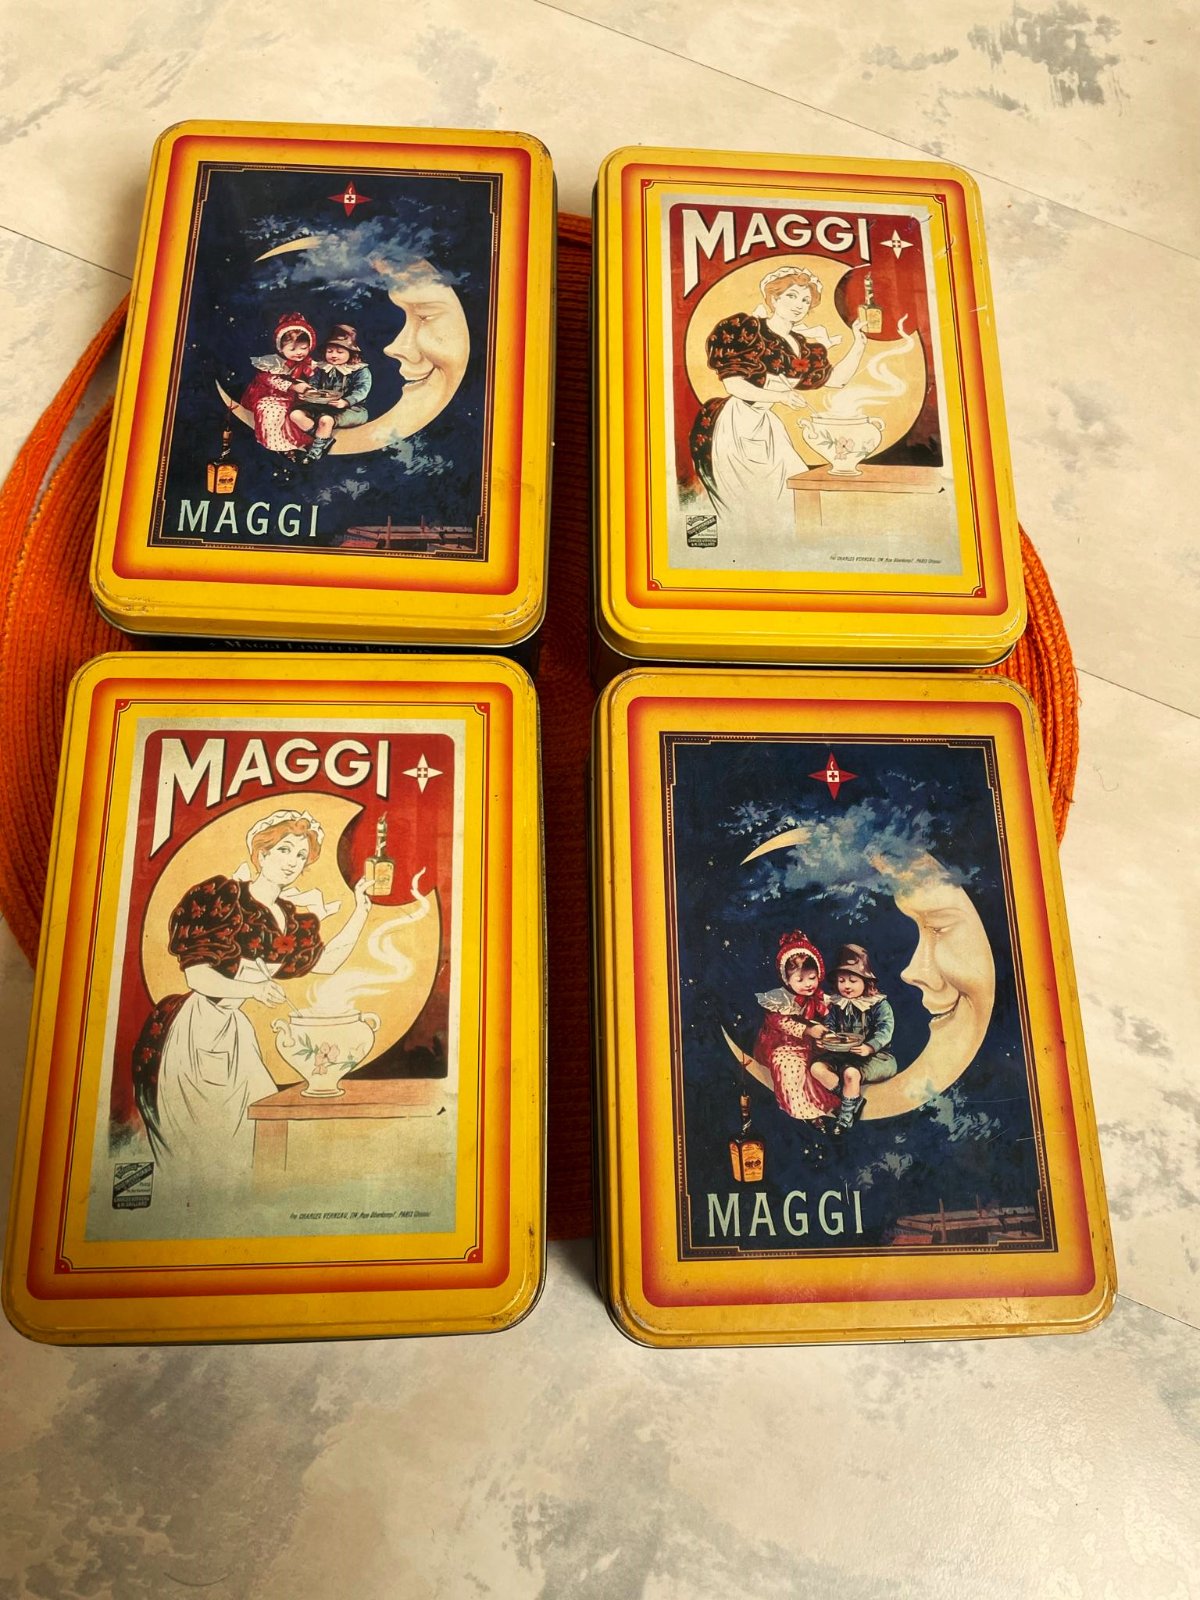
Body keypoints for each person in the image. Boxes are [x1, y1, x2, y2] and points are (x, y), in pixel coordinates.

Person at [131, 809, 373, 1182]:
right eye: (284, 850)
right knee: (194, 1146)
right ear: (261, 854)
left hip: (234, 1033)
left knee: (258, 1130)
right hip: (193, 1031)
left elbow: (325, 963)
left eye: (301, 855)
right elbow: (197, 975)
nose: (292, 861)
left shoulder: (292, 920)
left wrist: (360, 912)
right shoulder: (223, 898)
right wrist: (254, 989)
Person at [690, 266, 868, 540]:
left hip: (766, 427)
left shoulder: (802, 346)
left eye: (805, 300)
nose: (799, 305)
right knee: (745, 507)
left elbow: (836, 380)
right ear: (774, 298)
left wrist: (859, 343)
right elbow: (733, 385)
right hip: (734, 424)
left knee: (794, 491)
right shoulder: (747, 330)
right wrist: (781, 396)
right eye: (791, 296)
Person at [815, 942, 898, 1134]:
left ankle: (845, 1118)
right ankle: (853, 1100)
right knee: (817, 1068)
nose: (846, 986)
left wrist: (870, 1047)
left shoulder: (878, 1004)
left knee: (851, 1074)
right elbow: (830, 1026)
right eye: (841, 980)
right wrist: (826, 1039)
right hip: (844, 1056)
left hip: (875, 1057)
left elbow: (885, 1030)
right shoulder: (836, 1004)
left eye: (852, 980)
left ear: (866, 981)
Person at [753, 931, 836, 1121]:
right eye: (800, 980)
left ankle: (829, 1105)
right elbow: (779, 1022)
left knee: (823, 1067)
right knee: (790, 1067)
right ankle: (806, 1112)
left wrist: (824, 1036)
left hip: (812, 1046)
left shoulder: (821, 999)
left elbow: (829, 1020)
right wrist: (808, 1030)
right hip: (783, 1045)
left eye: (812, 977)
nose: (808, 984)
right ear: (787, 979)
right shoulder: (780, 999)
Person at [239, 312, 320, 456]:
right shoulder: (274, 362)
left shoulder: (309, 364)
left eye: (303, 348)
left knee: (302, 413)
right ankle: (283, 446)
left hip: (298, 398)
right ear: (281, 348)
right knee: (272, 410)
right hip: (272, 395)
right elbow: (267, 379)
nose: (299, 353)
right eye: (292, 349)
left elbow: (315, 380)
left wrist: (310, 389)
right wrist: (293, 386)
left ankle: (310, 442)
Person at [290, 323, 373, 460]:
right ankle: (323, 438)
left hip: (351, 409)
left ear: (351, 353)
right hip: (322, 406)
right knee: (296, 415)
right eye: (330, 351)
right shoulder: (322, 368)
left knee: (325, 420)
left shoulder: (360, 370)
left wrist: (345, 402)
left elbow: (362, 390)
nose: (334, 355)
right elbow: (314, 384)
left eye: (340, 352)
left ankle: (315, 453)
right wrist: (308, 394)